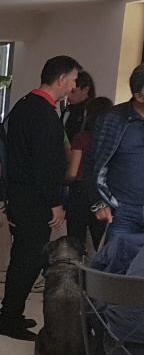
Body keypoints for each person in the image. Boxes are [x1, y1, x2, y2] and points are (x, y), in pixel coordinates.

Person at [0, 55, 81, 341]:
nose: (73, 85)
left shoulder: (25, 104)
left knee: (23, 257)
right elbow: (44, 165)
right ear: (61, 80)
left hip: (21, 195)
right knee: (27, 259)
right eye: (72, 80)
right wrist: (54, 203)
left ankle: (12, 314)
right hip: (34, 200)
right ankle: (8, 320)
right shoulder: (44, 113)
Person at [91, 63, 144, 244]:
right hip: (122, 213)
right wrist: (100, 201)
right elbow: (93, 162)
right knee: (116, 269)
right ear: (138, 96)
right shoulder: (112, 119)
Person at [65, 96, 114, 252]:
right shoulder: (112, 140)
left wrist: (62, 181)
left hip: (79, 193)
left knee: (75, 243)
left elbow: (72, 173)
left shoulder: (81, 138)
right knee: (102, 243)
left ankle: (75, 275)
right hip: (103, 194)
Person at [62, 70, 96, 140]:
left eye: (73, 92)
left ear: (86, 89)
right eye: (68, 91)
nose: (68, 95)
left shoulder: (93, 111)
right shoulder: (67, 111)